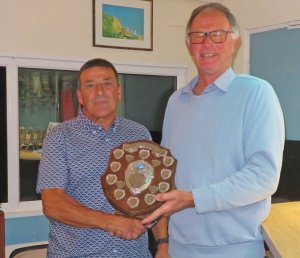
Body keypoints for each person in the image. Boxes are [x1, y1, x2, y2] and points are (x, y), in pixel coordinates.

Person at [142, 3, 285, 258]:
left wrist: (194, 198)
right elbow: (167, 172)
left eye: (217, 34)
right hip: (179, 247)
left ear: (235, 41)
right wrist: (163, 240)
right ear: (188, 45)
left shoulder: (256, 93)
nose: (207, 43)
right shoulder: (176, 101)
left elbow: (264, 176)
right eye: (198, 35)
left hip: (236, 249)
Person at [37, 58, 168, 258]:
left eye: (107, 84)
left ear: (118, 92)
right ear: (80, 96)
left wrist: (163, 245)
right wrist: (111, 221)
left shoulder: (139, 134)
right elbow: (53, 204)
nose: (100, 91)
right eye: (90, 85)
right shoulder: (59, 137)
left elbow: (155, 195)